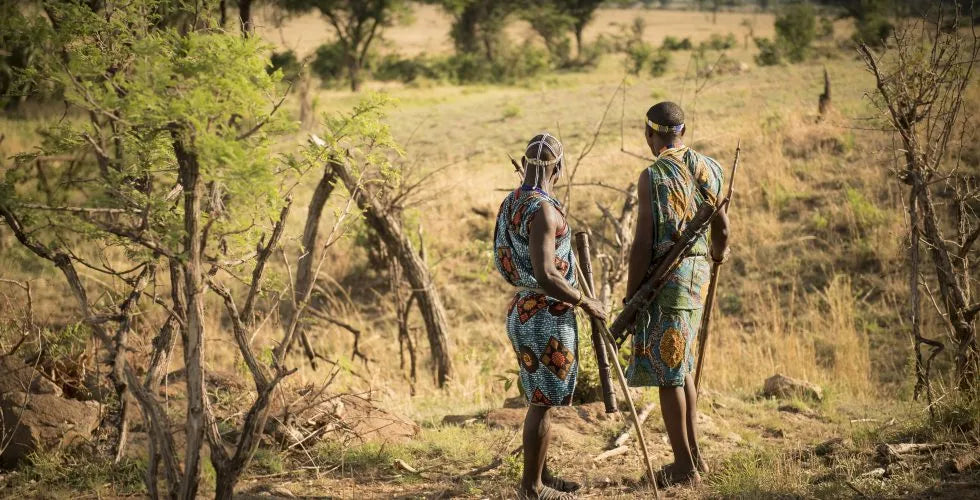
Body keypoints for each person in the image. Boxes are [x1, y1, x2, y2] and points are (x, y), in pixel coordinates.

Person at [493, 133, 607, 500]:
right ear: (558, 168)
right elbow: (545, 272)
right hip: (544, 313)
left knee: (539, 401)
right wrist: (585, 301)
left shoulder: (512, 201)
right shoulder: (542, 209)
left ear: (525, 164)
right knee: (542, 403)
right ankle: (532, 487)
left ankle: (541, 471)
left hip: (526, 309)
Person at [624, 102, 730, 487]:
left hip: (667, 279)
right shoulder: (712, 168)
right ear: (682, 132)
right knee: (682, 364)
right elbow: (723, 228)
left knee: (669, 373)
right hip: (698, 276)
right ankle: (695, 458)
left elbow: (643, 240)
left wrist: (632, 295)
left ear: (649, 134)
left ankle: (684, 466)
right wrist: (718, 254)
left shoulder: (653, 175)